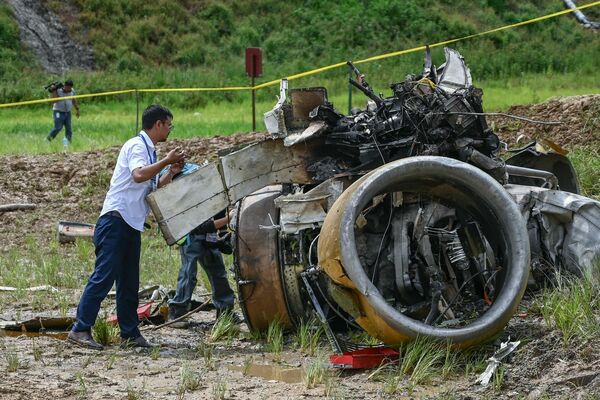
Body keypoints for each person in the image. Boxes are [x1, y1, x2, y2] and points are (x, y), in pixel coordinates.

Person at [68, 104, 185, 350]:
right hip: (116, 220)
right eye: (169, 125)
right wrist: (167, 160)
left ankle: (130, 333)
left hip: (131, 223)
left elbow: (149, 188)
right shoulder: (136, 146)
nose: (170, 130)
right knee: (103, 278)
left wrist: (171, 173)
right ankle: (80, 328)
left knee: (129, 282)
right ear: (158, 125)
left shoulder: (150, 152)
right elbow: (138, 175)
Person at [166, 163, 238, 326]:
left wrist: (223, 232)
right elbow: (200, 226)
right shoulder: (191, 198)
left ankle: (225, 312)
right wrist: (228, 219)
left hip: (210, 237)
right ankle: (176, 313)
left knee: (218, 273)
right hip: (192, 237)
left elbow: (219, 218)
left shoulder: (217, 194)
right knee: (188, 273)